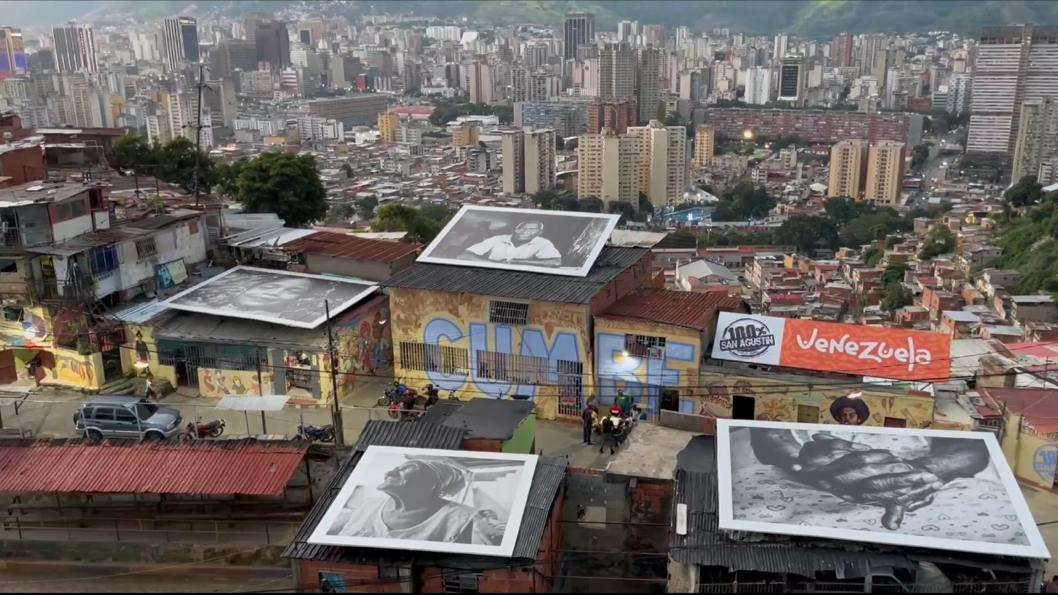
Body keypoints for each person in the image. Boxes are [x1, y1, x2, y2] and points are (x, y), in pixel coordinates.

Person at [748, 428, 990, 530]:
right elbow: (768, 435)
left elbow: (974, 446)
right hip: (804, 478)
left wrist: (916, 471)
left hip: (924, 483)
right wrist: (801, 463)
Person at [331, 458, 502, 545]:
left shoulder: (461, 517)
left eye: (408, 467)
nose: (390, 472)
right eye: (397, 467)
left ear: (431, 484)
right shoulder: (369, 504)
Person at [462, 220, 562, 267]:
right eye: (521, 228)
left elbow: (556, 262)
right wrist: (494, 264)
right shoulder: (498, 239)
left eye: (531, 229)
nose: (524, 231)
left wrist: (517, 262)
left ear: (539, 233)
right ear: (515, 229)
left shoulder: (542, 242)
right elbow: (464, 255)